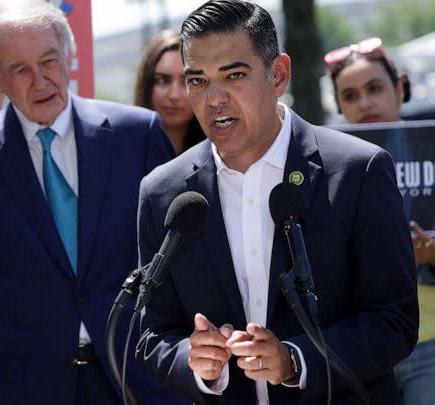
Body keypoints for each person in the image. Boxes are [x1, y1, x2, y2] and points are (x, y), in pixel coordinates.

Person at [135, 1, 418, 404]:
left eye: (234, 75)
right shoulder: (162, 192)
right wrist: (194, 361)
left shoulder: (359, 170)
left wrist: (296, 361)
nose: (214, 99)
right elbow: (153, 333)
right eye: (197, 80)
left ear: (278, 74)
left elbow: (395, 321)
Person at [0, 1, 187, 404]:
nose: (40, 80)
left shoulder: (137, 135)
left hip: (136, 377)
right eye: (19, 70)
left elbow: (173, 260)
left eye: (49, 60)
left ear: (69, 54)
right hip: (24, 384)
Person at [325, 38, 435, 405]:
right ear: (339, 104)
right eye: (351, 96)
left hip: (429, 343)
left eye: (375, 88)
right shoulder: (328, 168)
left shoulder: (429, 148)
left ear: (399, 88)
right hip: (364, 345)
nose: (365, 103)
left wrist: (431, 255)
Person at [134, 29, 205, 155]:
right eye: (162, 80)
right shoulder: (123, 153)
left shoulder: (220, 158)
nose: (174, 95)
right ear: (145, 84)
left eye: (187, 81)